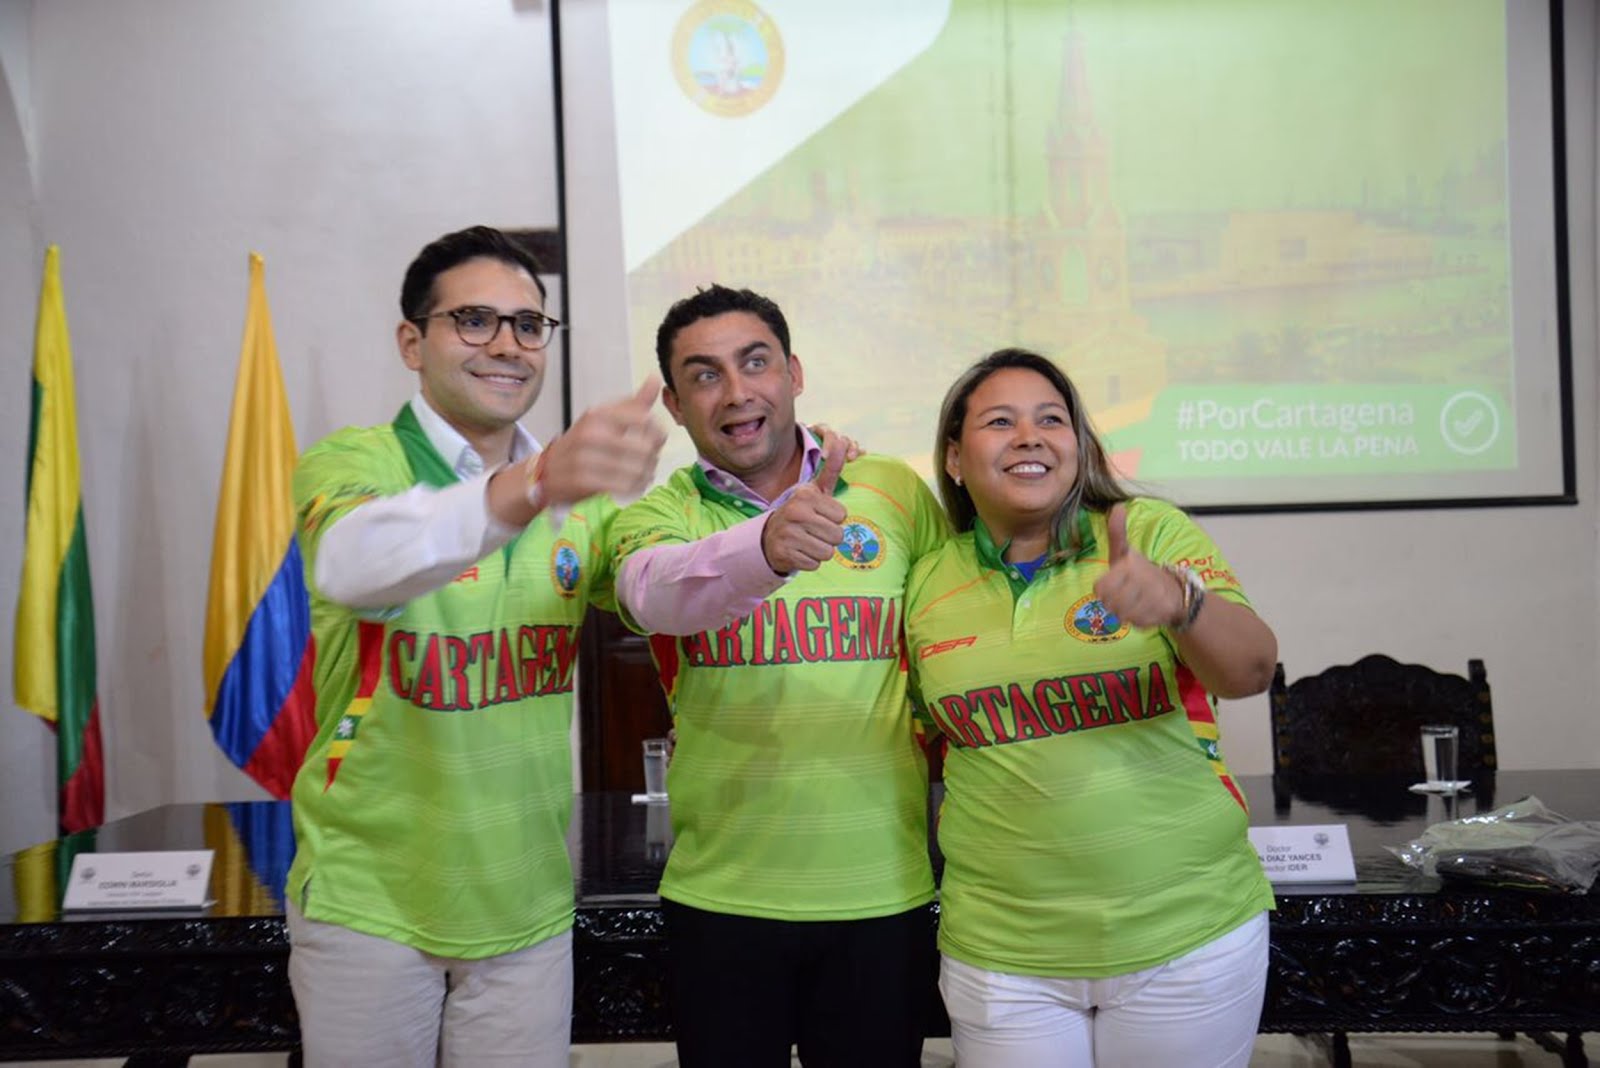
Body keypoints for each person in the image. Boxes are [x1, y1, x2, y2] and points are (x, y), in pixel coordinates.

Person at [284, 225, 666, 1068]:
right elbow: (354, 561)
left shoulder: (580, 493)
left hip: (526, 899)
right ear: (411, 342)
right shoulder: (352, 462)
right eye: (474, 320)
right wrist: (532, 485)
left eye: (528, 325)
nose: (507, 345)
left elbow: (661, 589)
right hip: (370, 903)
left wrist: (766, 544)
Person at [904, 348, 1279, 1068]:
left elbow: (1252, 671)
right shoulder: (924, 583)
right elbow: (922, 740)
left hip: (1186, 935)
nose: (1030, 436)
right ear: (954, 458)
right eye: (1000, 422)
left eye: (1052, 419)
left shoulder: (1147, 533)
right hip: (1001, 953)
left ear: (1078, 445)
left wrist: (1180, 604)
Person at [609, 284, 949, 1068]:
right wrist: (764, 547)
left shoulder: (893, 492)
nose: (736, 392)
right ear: (674, 404)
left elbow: (952, 630)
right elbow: (650, 592)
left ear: (793, 373)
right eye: (705, 375)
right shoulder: (659, 517)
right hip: (721, 899)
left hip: (883, 894)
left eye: (755, 362)